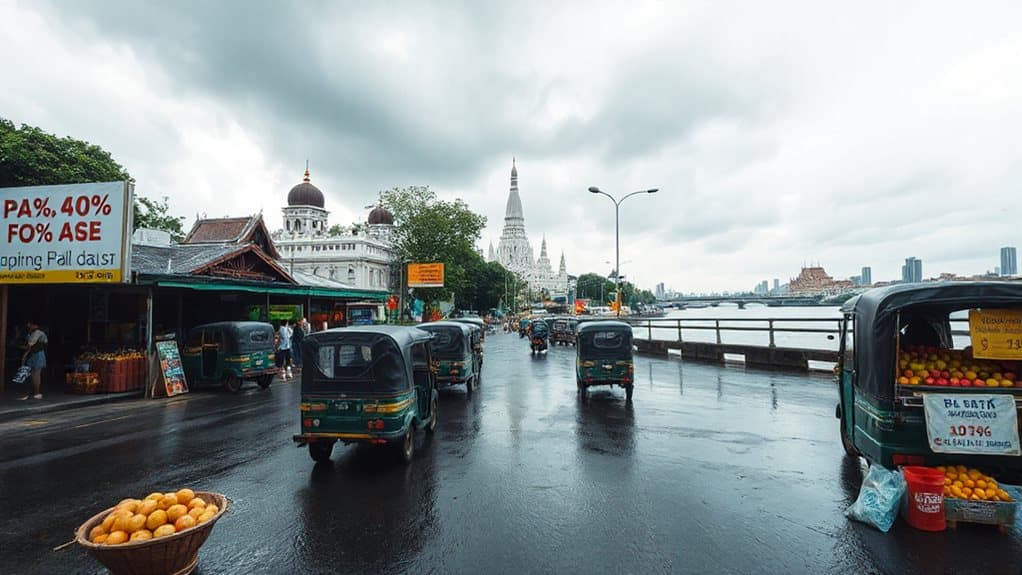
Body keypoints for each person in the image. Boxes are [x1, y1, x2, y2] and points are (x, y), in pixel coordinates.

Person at [19, 321, 47, 400]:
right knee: (29, 374)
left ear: (35, 325)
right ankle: (28, 393)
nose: (28, 326)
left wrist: (24, 355)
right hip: (32, 355)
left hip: (37, 355)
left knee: (35, 375)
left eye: (30, 324)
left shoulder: (38, 333)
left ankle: (36, 393)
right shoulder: (31, 333)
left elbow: (30, 345)